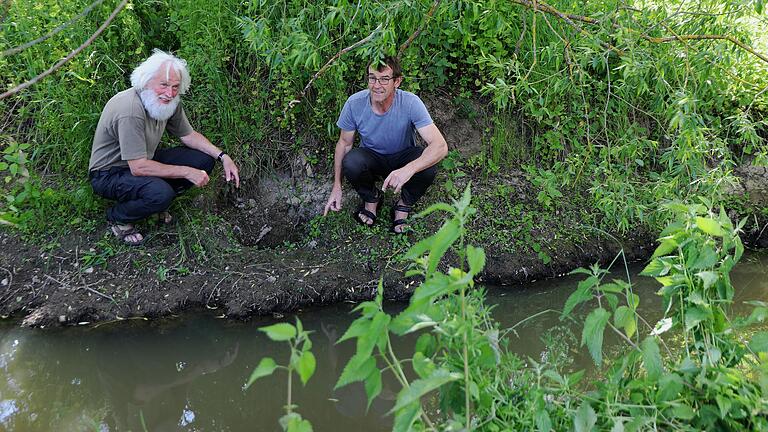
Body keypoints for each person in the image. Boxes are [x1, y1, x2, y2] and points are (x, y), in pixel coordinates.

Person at [88, 49, 240, 245]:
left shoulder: (170, 101)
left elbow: (189, 136)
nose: (170, 93)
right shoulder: (130, 109)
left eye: (176, 86)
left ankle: (156, 203)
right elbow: (138, 167)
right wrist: (187, 172)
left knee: (203, 160)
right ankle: (119, 217)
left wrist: (223, 156)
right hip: (109, 173)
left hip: (142, 160)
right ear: (146, 81)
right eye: (164, 85)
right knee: (161, 193)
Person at [322, 56, 448, 233]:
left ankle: (403, 204)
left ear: (397, 81)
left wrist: (408, 169)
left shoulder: (410, 102)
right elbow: (344, 144)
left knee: (428, 163)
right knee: (351, 161)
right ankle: (372, 199)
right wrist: (337, 186)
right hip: (372, 157)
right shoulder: (354, 103)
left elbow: (440, 146)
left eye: (384, 79)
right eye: (372, 78)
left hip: (403, 156)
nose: (376, 85)